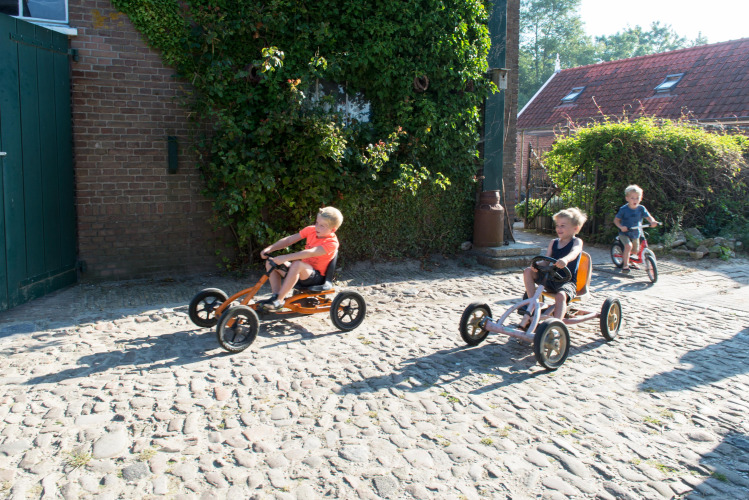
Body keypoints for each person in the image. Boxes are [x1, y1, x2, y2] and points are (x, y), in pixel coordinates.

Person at [258, 207, 343, 310]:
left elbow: (310, 253)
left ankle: (279, 300)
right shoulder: (311, 230)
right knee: (271, 262)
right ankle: (275, 297)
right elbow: (289, 240)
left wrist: (285, 257)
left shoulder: (332, 243)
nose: (317, 227)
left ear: (333, 229)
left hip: (316, 278)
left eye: (322, 226)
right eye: (317, 223)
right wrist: (270, 248)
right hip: (300, 272)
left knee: (297, 264)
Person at [519, 207, 587, 330]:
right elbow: (546, 260)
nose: (559, 229)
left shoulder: (577, 241)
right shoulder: (554, 242)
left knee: (561, 296)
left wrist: (565, 260)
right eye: (557, 225)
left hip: (567, 282)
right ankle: (532, 303)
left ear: (575, 228)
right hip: (550, 279)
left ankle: (556, 325)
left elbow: (575, 252)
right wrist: (537, 265)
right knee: (528, 271)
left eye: (563, 225)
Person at [613, 185, 658, 273]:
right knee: (628, 246)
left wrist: (652, 222)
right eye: (632, 198)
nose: (635, 200)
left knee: (635, 250)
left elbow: (649, 217)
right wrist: (621, 227)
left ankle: (632, 261)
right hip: (625, 232)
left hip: (636, 232)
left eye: (637, 198)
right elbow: (616, 220)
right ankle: (625, 265)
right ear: (627, 198)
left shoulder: (641, 208)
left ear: (641, 198)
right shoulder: (624, 209)